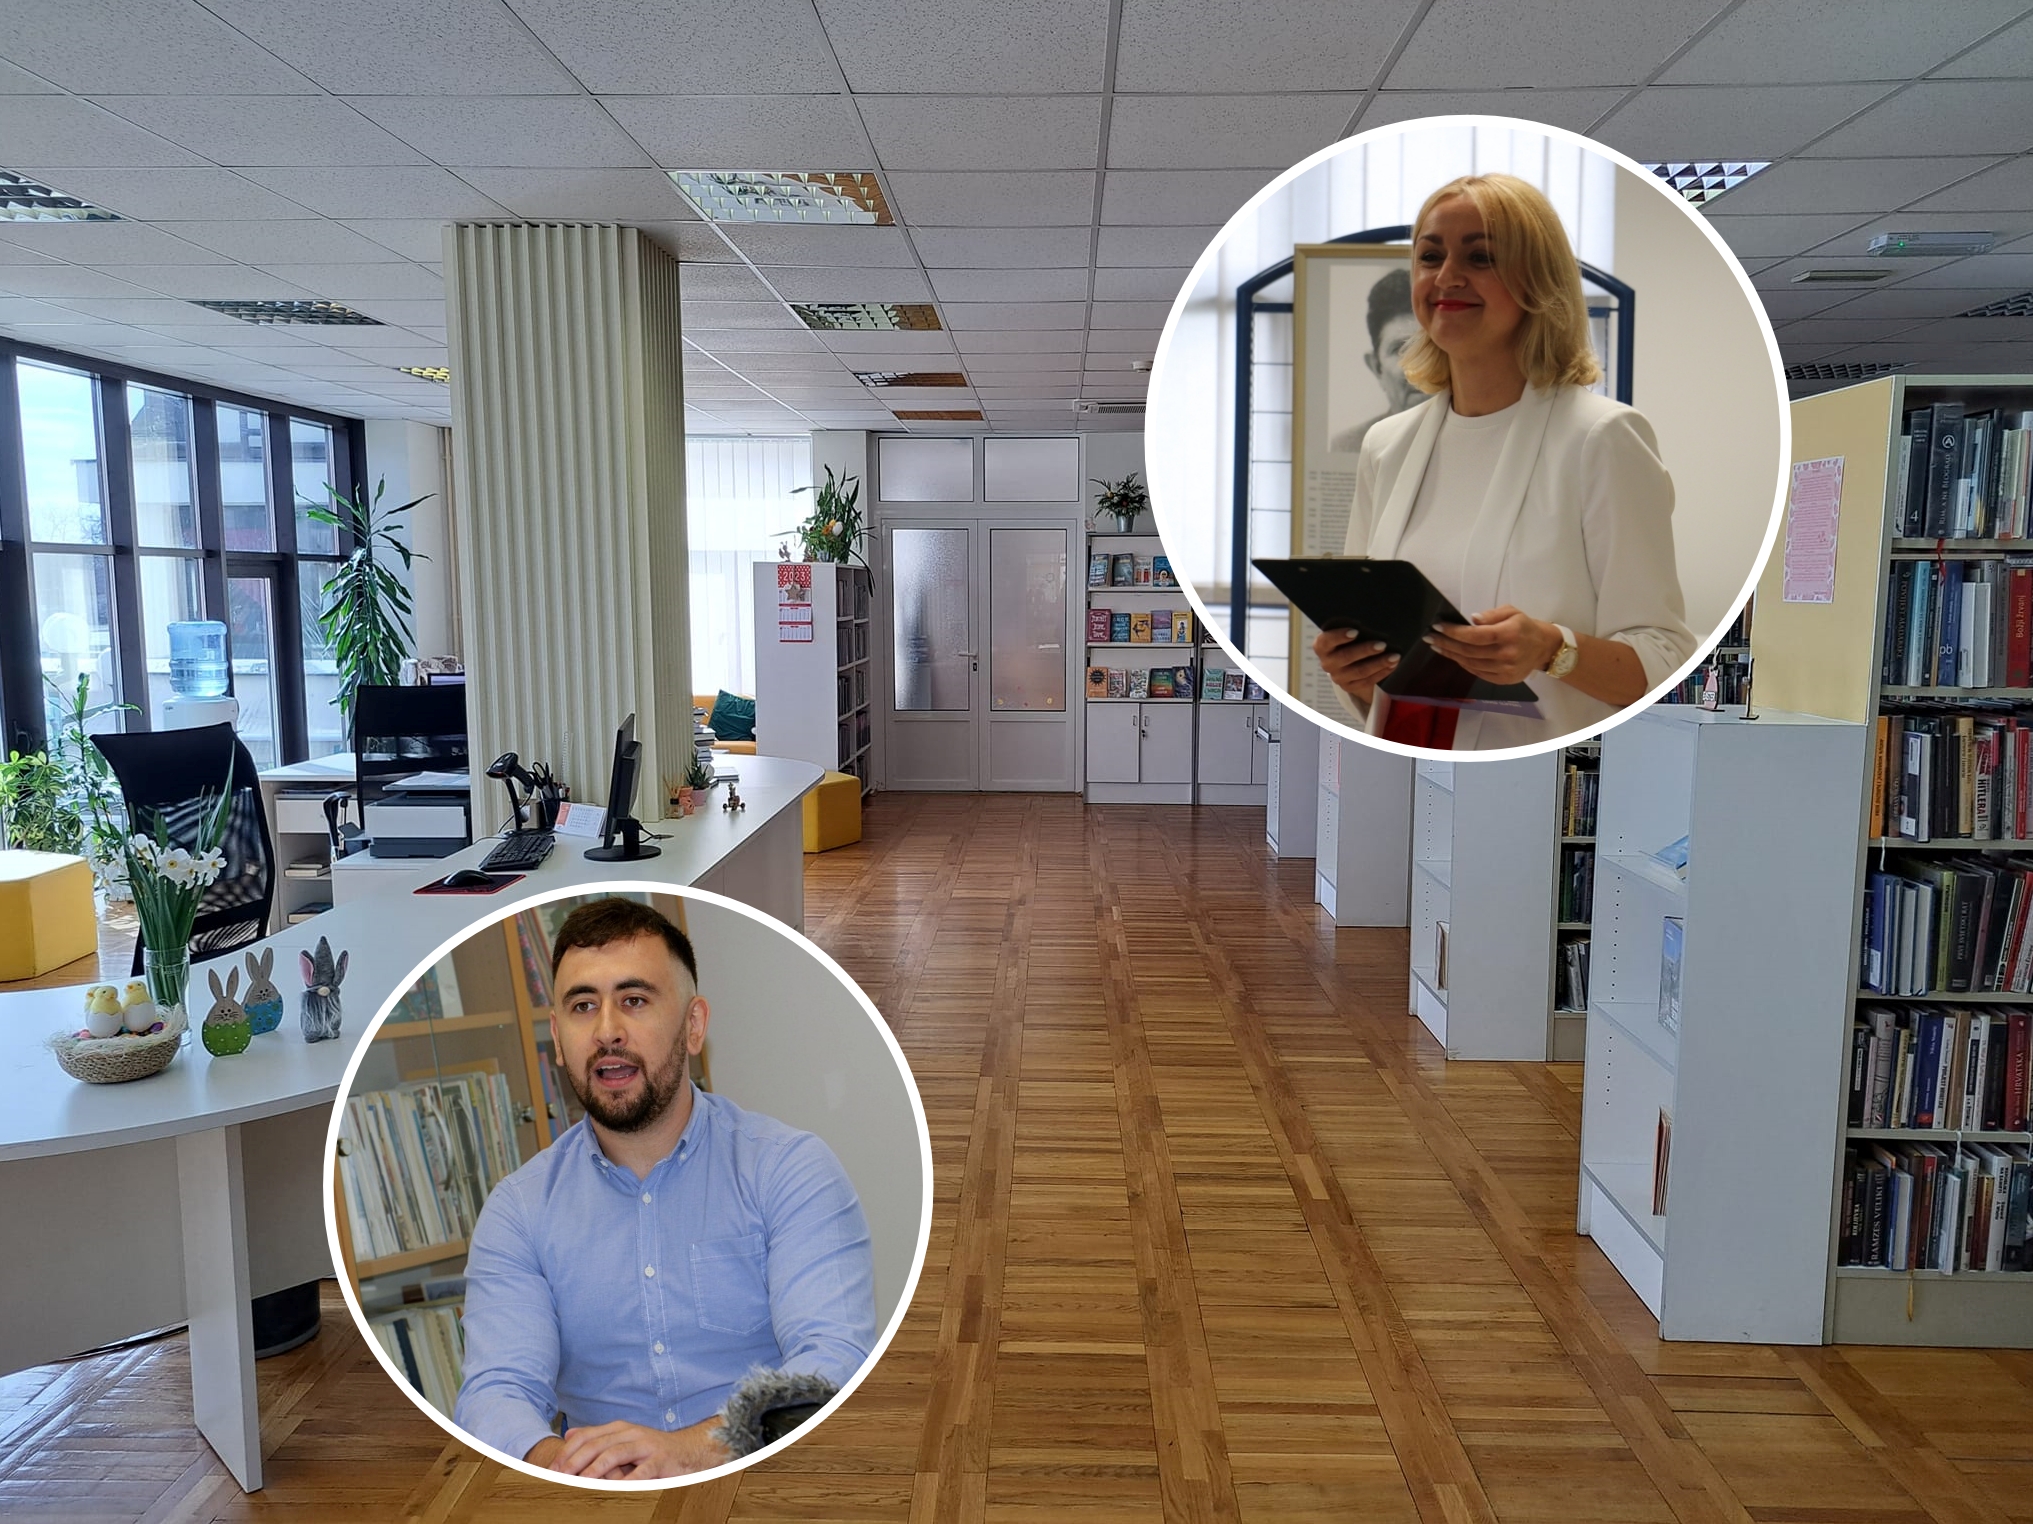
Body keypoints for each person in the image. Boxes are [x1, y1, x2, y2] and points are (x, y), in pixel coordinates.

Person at [453, 897, 876, 1480]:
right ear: (557, 1035)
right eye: (583, 1006)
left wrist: (691, 1451)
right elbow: (495, 1391)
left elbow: (833, 1362)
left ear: (693, 1026)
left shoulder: (789, 1170)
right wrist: (569, 1466)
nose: (607, 1032)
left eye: (634, 1000)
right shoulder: (518, 1210)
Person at [1312, 173, 1695, 751]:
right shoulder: (1386, 446)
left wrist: (1553, 649)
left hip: (1539, 777)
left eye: (1481, 257)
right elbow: (1386, 668)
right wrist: (1357, 673)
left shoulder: (1601, 438)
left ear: (1538, 281)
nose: (1447, 276)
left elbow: (1664, 657)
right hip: (1407, 762)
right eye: (1430, 256)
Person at [1328, 266, 1420, 455]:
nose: (1420, 368)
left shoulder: (1478, 441)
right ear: (1377, 367)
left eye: (1433, 348)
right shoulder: (1348, 447)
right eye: (1400, 350)